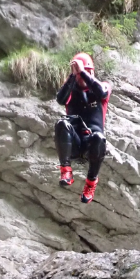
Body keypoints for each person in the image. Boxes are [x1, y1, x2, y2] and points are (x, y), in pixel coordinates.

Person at [54, 52, 111, 204]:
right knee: (61, 124)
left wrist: (83, 72)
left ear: (92, 72)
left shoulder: (102, 87)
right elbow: (60, 99)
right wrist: (73, 76)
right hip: (75, 142)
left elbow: (103, 92)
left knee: (99, 137)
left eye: (88, 72)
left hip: (91, 145)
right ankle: (66, 171)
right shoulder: (71, 92)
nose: (83, 76)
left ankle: (91, 182)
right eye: (80, 74)